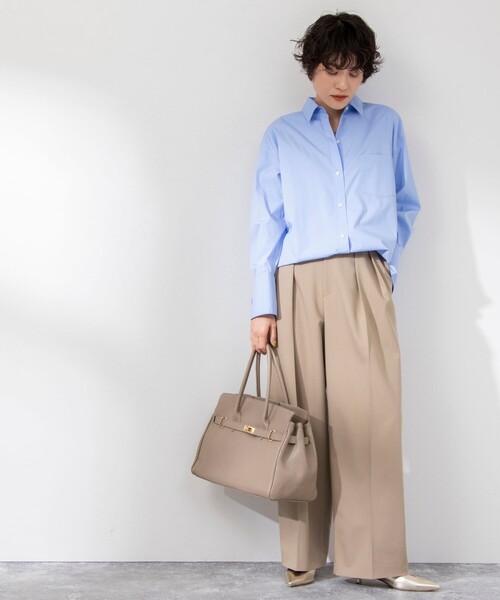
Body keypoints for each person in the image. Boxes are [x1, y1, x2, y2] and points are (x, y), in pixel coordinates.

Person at [248, 12, 439, 592]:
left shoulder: (385, 125)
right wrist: (262, 306)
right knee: (301, 420)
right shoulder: (282, 134)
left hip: (364, 279)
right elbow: (267, 223)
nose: (342, 82)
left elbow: (405, 204)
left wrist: (382, 270)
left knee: (371, 419)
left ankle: (378, 558)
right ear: (311, 68)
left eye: (354, 71)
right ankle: (300, 554)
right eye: (332, 69)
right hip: (296, 283)